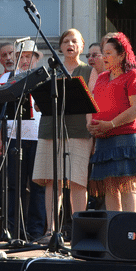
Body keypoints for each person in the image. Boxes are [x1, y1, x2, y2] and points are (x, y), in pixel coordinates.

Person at [32, 28, 96, 241]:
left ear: (82, 45)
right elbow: (39, 105)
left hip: (79, 131)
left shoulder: (89, 71)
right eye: (66, 41)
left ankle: (79, 231)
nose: (70, 44)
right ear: (60, 46)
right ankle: (51, 231)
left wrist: (93, 133)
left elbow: (94, 105)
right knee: (52, 181)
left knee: (78, 181)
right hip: (51, 130)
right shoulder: (50, 70)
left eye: (74, 41)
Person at [87, 33, 136, 212]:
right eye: (103, 53)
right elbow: (94, 106)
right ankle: (115, 230)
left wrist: (112, 124)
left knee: (128, 185)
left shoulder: (134, 75)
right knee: (110, 188)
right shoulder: (101, 77)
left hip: (127, 137)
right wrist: (91, 124)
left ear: (122, 54)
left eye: (108, 53)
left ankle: (131, 231)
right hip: (104, 137)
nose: (104, 57)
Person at [0, 40, 45, 240]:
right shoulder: (6, 77)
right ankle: (14, 228)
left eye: (28, 56)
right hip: (14, 137)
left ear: (36, 59)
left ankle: (36, 230)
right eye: (20, 56)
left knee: (38, 185)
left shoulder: (43, 77)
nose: (23, 60)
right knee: (14, 186)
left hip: (39, 137)